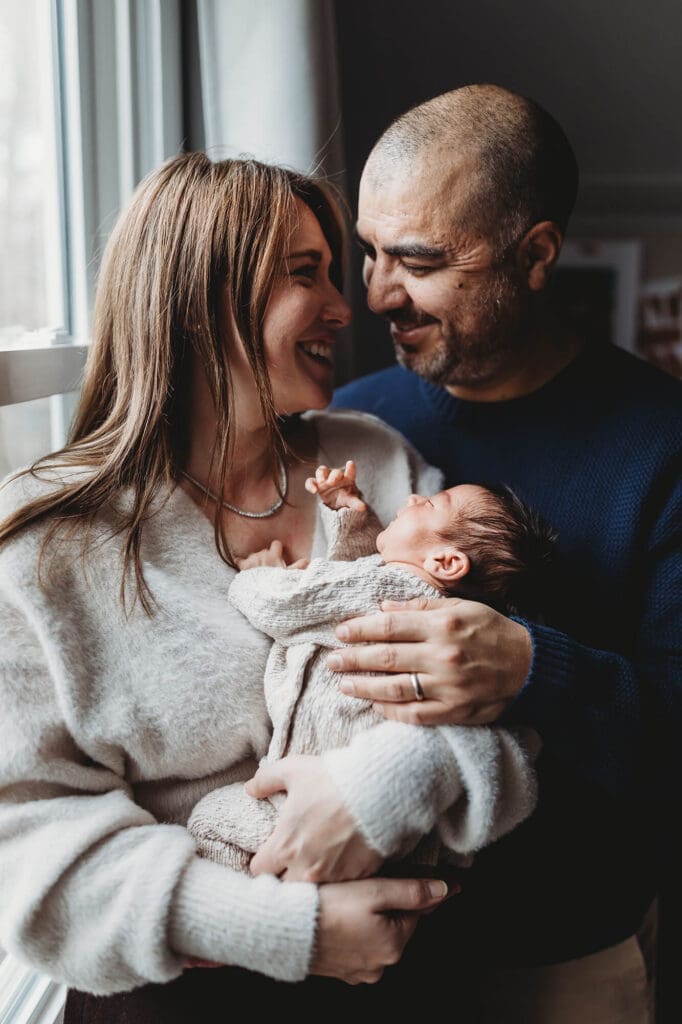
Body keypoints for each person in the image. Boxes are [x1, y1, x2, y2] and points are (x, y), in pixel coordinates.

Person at [0, 151, 540, 1021]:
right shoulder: (47, 543)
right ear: (199, 299)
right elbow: (26, 855)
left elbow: (506, 711)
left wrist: (390, 782)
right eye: (304, 273)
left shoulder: (377, 463)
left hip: (410, 979)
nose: (345, 306)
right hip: (171, 1001)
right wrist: (290, 929)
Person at [325, 83, 681, 1022]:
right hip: (353, 967)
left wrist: (531, 668)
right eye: (369, 251)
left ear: (536, 256)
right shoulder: (349, 426)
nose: (376, 293)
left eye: (418, 261)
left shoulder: (663, 446)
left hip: (563, 961)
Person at [188, 460, 549, 873]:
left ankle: (259, 898)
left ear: (446, 563)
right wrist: (351, 514)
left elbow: (289, 602)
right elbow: (362, 567)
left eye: (432, 504)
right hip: (376, 810)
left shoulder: (389, 589)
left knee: (209, 821)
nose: (413, 499)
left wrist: (258, 577)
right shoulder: (420, 600)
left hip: (312, 798)